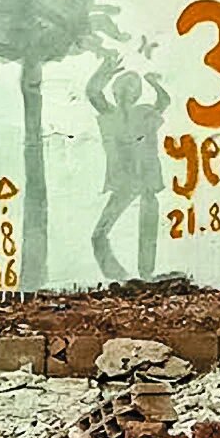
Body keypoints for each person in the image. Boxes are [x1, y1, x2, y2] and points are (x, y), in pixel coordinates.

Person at [86, 51, 170, 280]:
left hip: (146, 181)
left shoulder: (144, 113)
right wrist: (104, 70)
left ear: (137, 94)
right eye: (124, 84)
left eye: (134, 86)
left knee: (148, 230)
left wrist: (154, 83)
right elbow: (92, 93)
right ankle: (120, 278)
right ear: (114, 90)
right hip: (123, 183)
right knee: (99, 235)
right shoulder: (109, 114)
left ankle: (146, 275)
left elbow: (164, 102)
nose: (128, 89)